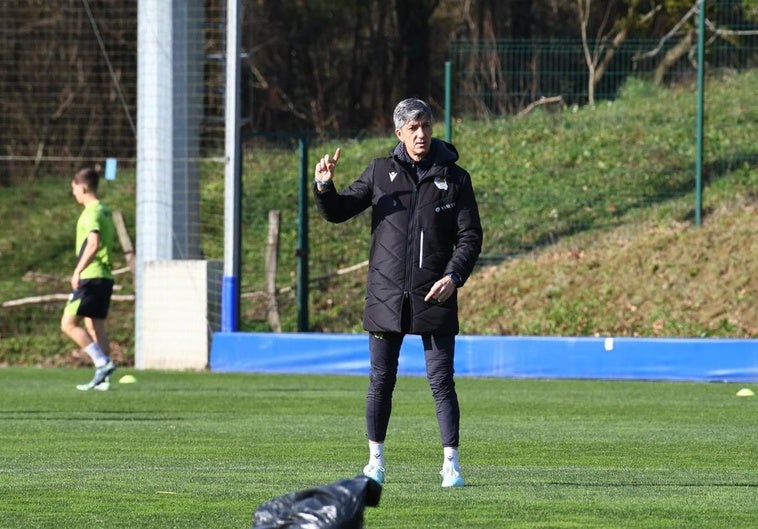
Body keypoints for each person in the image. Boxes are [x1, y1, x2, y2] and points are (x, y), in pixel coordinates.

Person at [313, 98, 483, 488]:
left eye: (425, 126)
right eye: (413, 128)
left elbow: (470, 237)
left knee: (441, 381)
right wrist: (324, 185)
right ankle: (375, 462)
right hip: (386, 296)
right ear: (399, 133)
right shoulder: (379, 173)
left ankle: (451, 465)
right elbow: (338, 210)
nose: (421, 133)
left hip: (434, 293)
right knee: (381, 379)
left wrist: (454, 277)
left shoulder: (455, 178)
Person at [61, 167, 117, 391]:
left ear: (83, 188)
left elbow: (93, 243)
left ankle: (102, 363)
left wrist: (77, 271)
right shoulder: (105, 210)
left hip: (91, 276)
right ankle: (104, 381)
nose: (74, 193)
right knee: (96, 327)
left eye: (74, 188)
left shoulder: (91, 212)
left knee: (68, 323)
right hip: (104, 276)